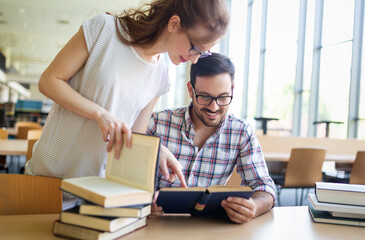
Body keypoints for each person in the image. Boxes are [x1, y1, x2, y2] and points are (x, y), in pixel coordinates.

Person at [25, 0, 230, 208]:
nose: (195, 60)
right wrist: (99, 114)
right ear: (174, 24)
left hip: (95, 194)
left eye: (203, 53)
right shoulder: (105, 30)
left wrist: (159, 151)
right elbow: (49, 81)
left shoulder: (161, 76)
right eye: (195, 48)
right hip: (46, 180)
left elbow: (134, 135)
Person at [147, 53, 276, 223]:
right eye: (205, 97)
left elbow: (265, 187)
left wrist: (254, 206)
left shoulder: (241, 132)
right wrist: (141, 203)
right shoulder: (157, 123)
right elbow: (126, 180)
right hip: (157, 226)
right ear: (190, 90)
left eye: (223, 97)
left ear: (232, 90)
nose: (214, 107)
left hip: (209, 228)